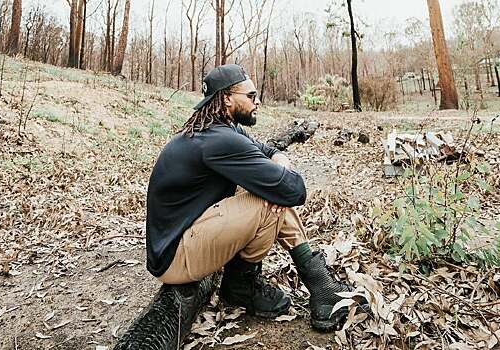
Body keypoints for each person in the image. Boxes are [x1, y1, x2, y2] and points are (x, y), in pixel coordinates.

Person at [145, 64, 368, 331]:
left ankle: (312, 286)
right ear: (227, 98)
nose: (258, 101)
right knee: (269, 199)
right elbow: (295, 190)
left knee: (270, 191)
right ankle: (292, 286)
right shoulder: (218, 140)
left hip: (185, 237)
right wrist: (281, 171)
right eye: (251, 96)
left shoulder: (221, 128)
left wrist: (278, 159)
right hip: (175, 259)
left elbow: (267, 149)